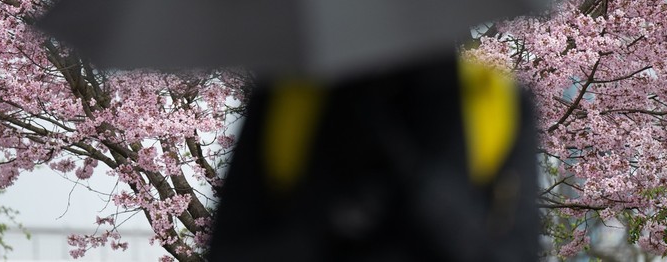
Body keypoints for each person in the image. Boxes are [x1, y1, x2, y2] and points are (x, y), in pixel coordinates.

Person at [207, 51, 540, 261]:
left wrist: (420, 189)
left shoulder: (494, 101)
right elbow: (234, 246)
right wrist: (329, 221)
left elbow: (513, 250)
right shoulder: (289, 98)